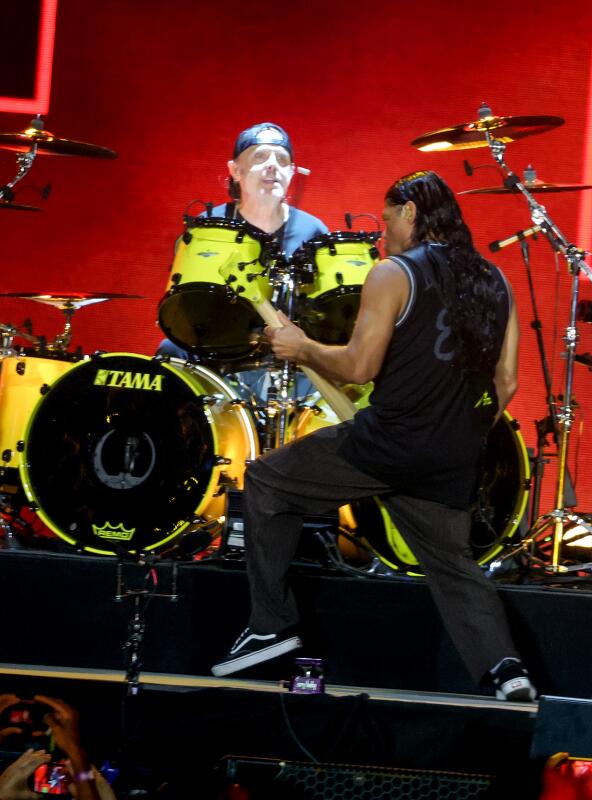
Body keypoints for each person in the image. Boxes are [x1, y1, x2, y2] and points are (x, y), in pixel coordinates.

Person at [210, 170, 536, 702]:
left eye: (387, 221)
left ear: (410, 213)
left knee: (267, 482)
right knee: (453, 565)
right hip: (451, 457)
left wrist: (302, 348)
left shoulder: (393, 272)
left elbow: (359, 366)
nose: (384, 235)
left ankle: (270, 627)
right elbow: (507, 382)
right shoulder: (493, 280)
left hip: (385, 443)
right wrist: (456, 433)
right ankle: (506, 672)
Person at [157, 121, 329, 362]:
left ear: (291, 172)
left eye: (281, 160)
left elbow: (321, 311)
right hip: (212, 345)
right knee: (169, 352)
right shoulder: (208, 225)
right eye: (260, 157)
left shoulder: (312, 231)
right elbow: (184, 303)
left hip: (281, 354)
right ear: (235, 170)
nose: (272, 166)